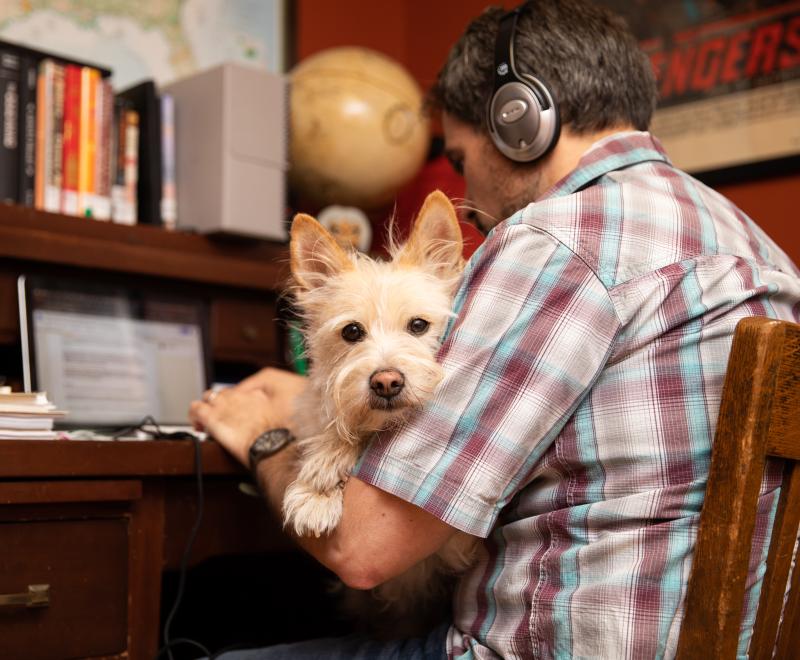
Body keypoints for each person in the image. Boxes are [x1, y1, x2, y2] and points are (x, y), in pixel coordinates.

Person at [189, 2, 800, 658]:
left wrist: (265, 435)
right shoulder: (758, 247)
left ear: (520, 119)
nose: (471, 198)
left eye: (459, 157)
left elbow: (365, 549)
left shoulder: (557, 243)